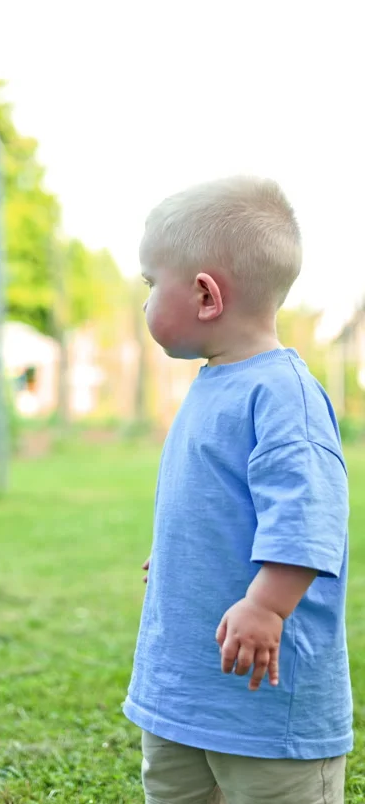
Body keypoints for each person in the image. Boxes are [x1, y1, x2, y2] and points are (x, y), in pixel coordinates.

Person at [123, 176, 352, 804]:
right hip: (184, 689)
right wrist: (182, 552)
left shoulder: (283, 396)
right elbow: (219, 498)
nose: (145, 303)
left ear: (205, 295)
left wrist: (267, 607)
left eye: (150, 284)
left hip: (264, 707)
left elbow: (307, 518)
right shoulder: (214, 382)